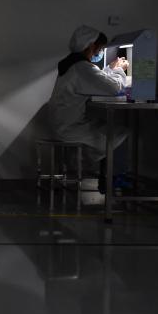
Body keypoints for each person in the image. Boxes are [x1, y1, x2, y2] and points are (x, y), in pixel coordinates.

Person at [46, 25, 130, 194]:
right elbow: (113, 88)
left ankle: (108, 177)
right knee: (119, 133)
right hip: (70, 128)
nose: (100, 52)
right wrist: (119, 69)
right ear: (91, 46)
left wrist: (111, 70)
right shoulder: (82, 67)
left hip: (62, 124)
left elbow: (97, 80)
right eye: (100, 48)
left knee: (107, 129)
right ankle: (114, 180)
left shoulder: (73, 65)